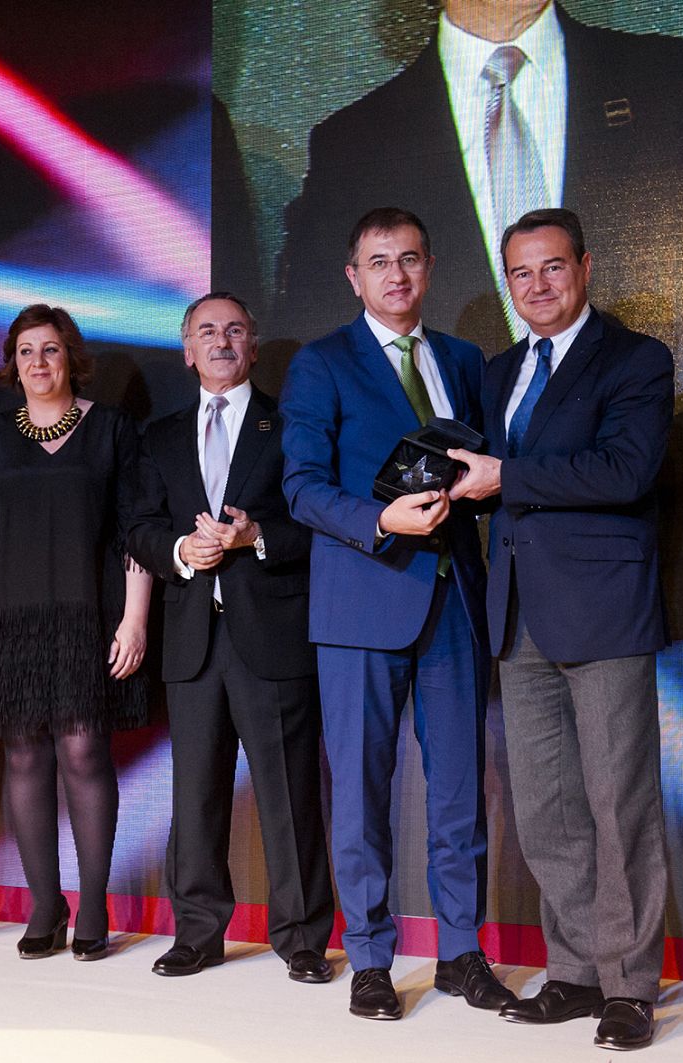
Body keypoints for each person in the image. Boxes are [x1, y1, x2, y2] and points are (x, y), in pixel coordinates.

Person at [274, 1, 683, 372]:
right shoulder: (351, 143)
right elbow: (314, 354)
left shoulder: (671, 80)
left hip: (648, 487)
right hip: (436, 504)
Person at [450, 208, 673, 1050]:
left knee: (621, 803)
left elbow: (626, 470)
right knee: (546, 809)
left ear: (583, 266)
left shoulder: (635, 358)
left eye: (551, 268)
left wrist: (507, 474)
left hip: (604, 610)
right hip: (517, 612)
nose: (537, 286)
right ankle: (576, 971)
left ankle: (630, 985)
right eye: (520, 273)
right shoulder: (501, 369)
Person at [279, 208, 509, 1021]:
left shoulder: (462, 359)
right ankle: (371, 957)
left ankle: (460, 953)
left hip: (455, 602)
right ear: (354, 276)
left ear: (431, 265)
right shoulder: (322, 363)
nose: (397, 275)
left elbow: (486, 472)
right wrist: (382, 521)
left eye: (409, 258)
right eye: (379, 261)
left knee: (458, 795)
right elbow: (300, 486)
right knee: (362, 796)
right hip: (360, 604)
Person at [126, 292, 334, 983]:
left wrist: (258, 536)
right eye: (206, 331)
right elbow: (140, 528)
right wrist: (184, 548)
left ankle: (303, 939)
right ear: (186, 350)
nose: (220, 341)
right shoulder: (158, 435)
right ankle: (197, 932)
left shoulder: (292, 422)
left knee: (289, 795)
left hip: (272, 636)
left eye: (234, 330)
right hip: (191, 638)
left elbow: (317, 518)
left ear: (253, 344)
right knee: (195, 799)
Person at [0, 303, 151, 962]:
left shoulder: (113, 430)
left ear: (72, 358)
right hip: (6, 618)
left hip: (88, 615)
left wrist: (135, 616)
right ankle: (45, 902)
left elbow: (135, 530)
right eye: (28, 351)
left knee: (84, 751)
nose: (40, 362)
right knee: (24, 754)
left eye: (52, 349)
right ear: (14, 362)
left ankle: (92, 903)